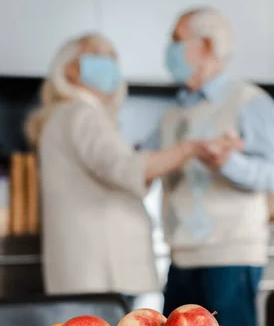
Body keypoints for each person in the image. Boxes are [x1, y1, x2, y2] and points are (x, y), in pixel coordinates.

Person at [26, 33, 207, 300]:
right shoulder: (82, 114)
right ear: (70, 70)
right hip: (102, 271)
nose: (107, 64)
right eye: (96, 56)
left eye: (112, 57)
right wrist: (190, 148)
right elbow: (123, 169)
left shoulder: (68, 114)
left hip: (89, 267)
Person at [160, 7, 274, 326]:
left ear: (204, 46)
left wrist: (226, 162)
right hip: (182, 255)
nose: (169, 48)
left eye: (176, 40)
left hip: (230, 257)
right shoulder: (175, 111)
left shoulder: (250, 102)